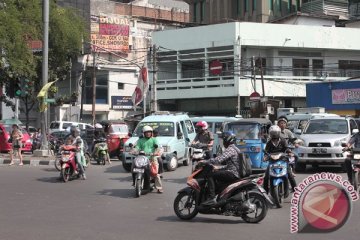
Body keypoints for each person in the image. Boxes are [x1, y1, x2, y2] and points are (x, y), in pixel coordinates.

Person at [201, 131, 241, 206]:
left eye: (224, 140)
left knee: (210, 175)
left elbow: (218, 160)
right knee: (217, 173)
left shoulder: (230, 149)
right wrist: (219, 168)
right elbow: (231, 165)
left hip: (233, 173)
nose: (223, 142)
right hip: (235, 172)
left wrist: (205, 161)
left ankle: (211, 198)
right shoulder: (235, 148)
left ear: (228, 140)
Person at [263, 125, 297, 193]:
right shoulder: (269, 142)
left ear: (278, 133)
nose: (274, 135)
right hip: (272, 161)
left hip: (282, 159)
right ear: (270, 133)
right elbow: (266, 151)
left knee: (290, 175)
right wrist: (265, 156)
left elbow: (286, 148)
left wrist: (289, 152)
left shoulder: (283, 140)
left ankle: (295, 189)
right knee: (266, 177)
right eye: (273, 133)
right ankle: (265, 192)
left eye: (276, 133)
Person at [134, 126, 163, 193]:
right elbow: (137, 147)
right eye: (146, 132)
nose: (148, 134)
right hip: (143, 159)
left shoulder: (154, 139)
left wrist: (155, 153)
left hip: (152, 159)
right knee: (137, 168)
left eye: (149, 132)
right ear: (144, 133)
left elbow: (157, 147)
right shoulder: (140, 140)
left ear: (151, 133)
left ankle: (159, 187)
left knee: (155, 173)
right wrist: (134, 151)